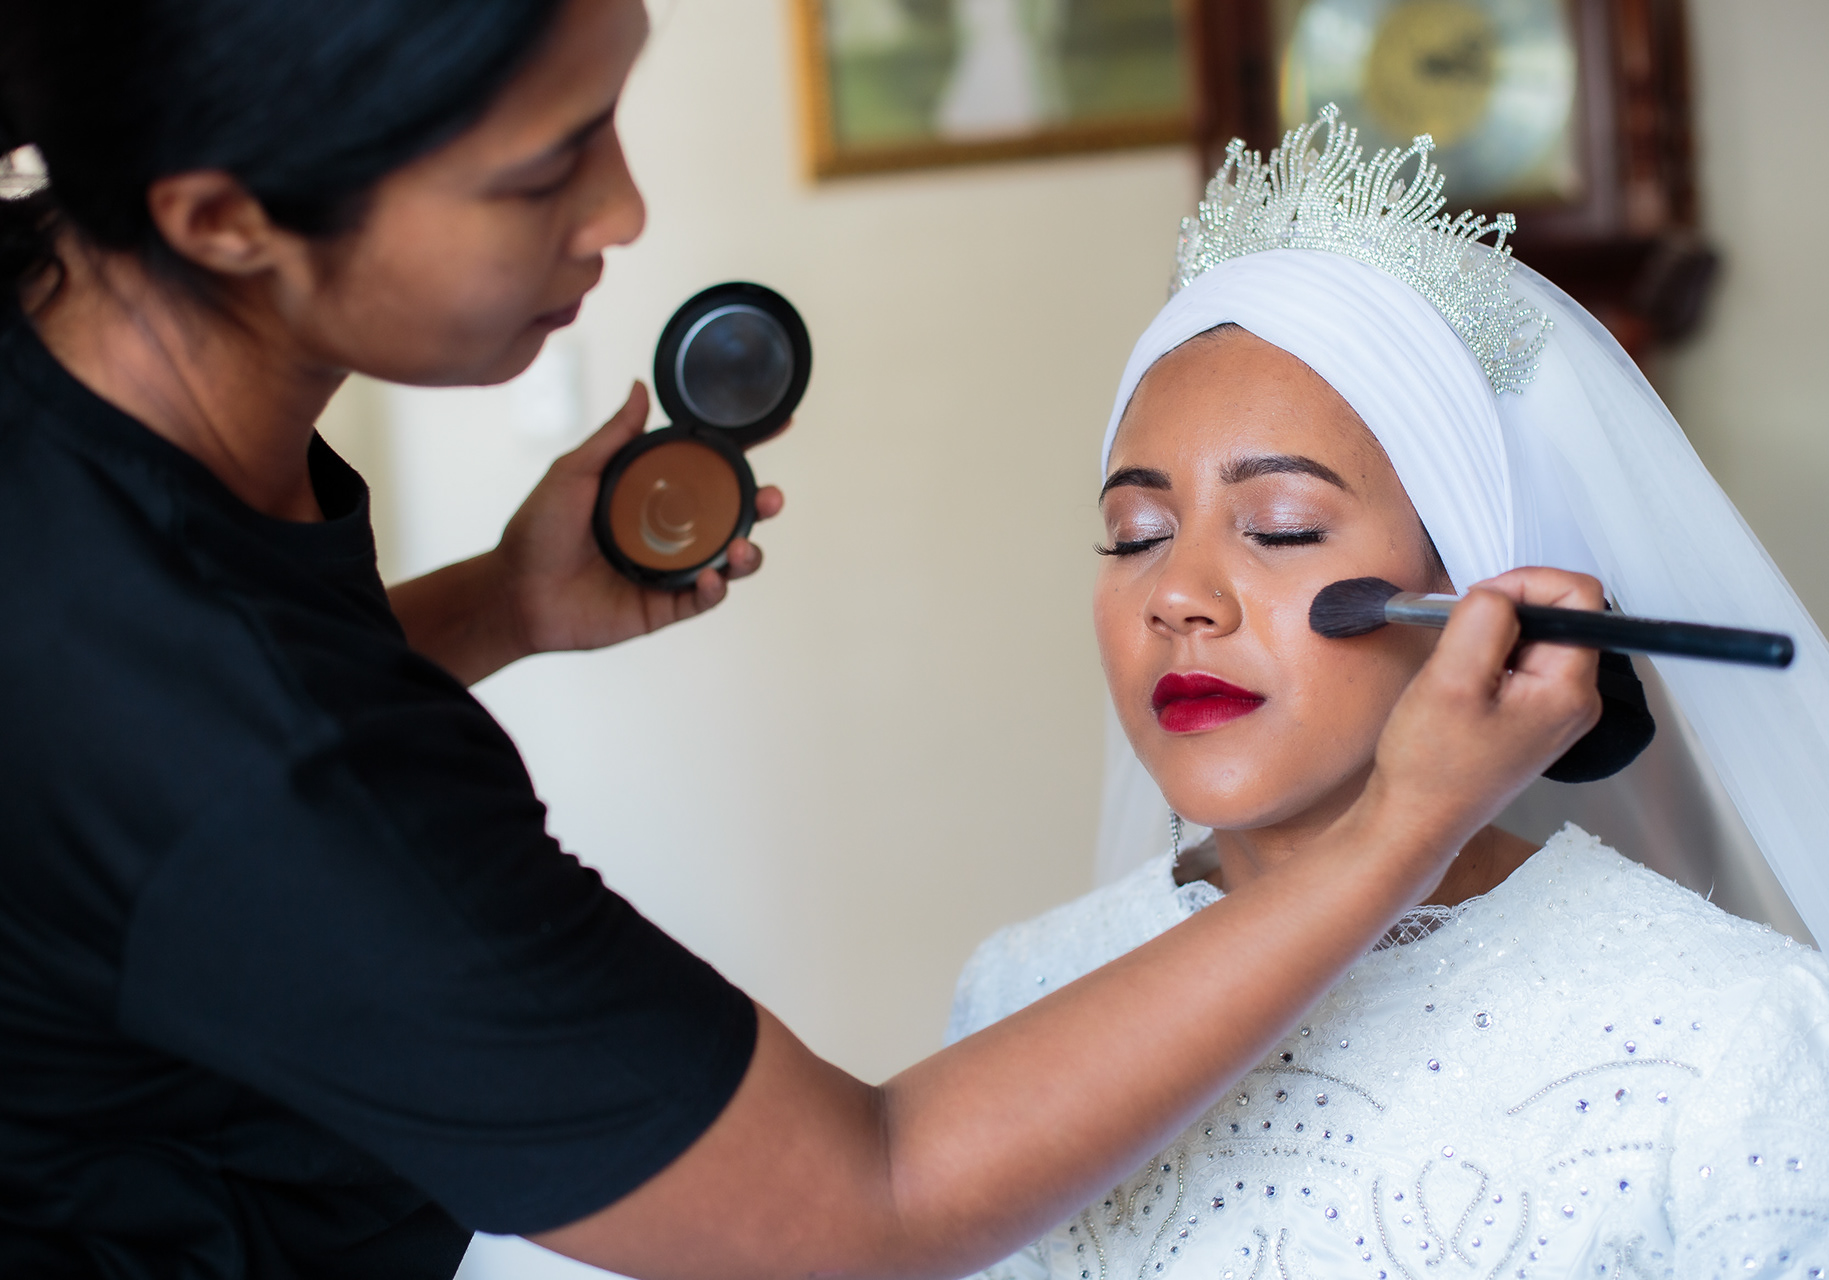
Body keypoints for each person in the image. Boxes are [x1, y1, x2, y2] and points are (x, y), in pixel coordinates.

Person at [0, 9, 1607, 1280]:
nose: (624, 209)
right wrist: (1407, 819)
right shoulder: (1024, 985)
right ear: (222, 218)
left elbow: (113, 778)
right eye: (542, 169)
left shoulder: (1694, 1044)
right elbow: (868, 1199)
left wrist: (497, 606)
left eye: (1283, 526)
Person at [946, 108, 1829, 1280]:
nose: (1181, 596)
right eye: (1135, 535)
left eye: (1281, 526)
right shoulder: (1019, 991)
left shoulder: (1738, 1037)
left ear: (1477, 591)